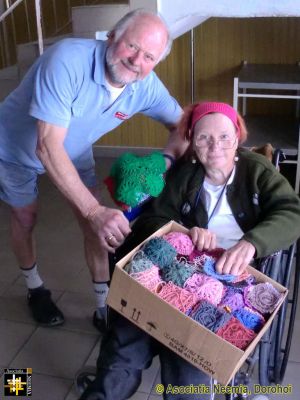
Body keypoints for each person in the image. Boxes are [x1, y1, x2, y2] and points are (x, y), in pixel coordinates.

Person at [78, 101, 300, 400]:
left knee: (187, 370)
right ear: (192, 141)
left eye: (224, 136)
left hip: (229, 284)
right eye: (203, 138)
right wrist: (185, 231)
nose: (215, 146)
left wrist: (251, 243)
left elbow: (291, 211)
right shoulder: (185, 174)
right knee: (123, 348)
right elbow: (154, 219)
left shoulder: (256, 172)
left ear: (237, 136)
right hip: (178, 269)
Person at [0, 9, 188, 330]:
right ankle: (35, 289)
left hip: (73, 151)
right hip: (13, 148)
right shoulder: (67, 60)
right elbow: (46, 146)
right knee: (27, 217)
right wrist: (92, 210)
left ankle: (103, 307)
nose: (136, 60)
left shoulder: (145, 85)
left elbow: (184, 125)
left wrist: (163, 161)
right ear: (112, 36)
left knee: (95, 229)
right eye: (131, 46)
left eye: (148, 56)